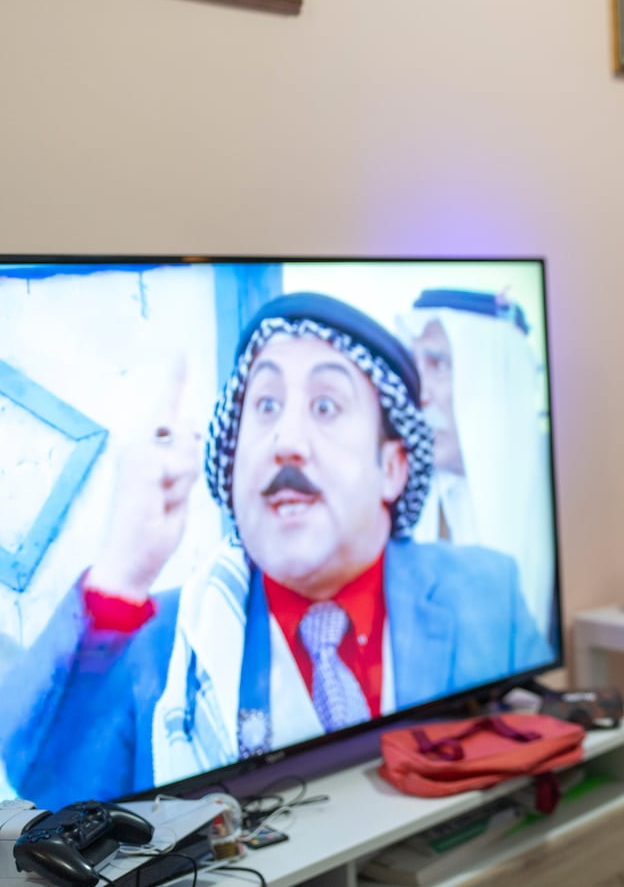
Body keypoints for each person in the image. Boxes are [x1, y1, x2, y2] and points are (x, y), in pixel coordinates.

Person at [0, 293, 551, 809]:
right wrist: (122, 571)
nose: (286, 440)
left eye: (327, 407)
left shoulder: (486, 592)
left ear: (391, 467)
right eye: (263, 405)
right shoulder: (151, 643)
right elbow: (46, 788)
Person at [398, 289, 558, 647]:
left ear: (492, 382)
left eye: (438, 364)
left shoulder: (563, 502)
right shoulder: (399, 506)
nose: (418, 392)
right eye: (414, 364)